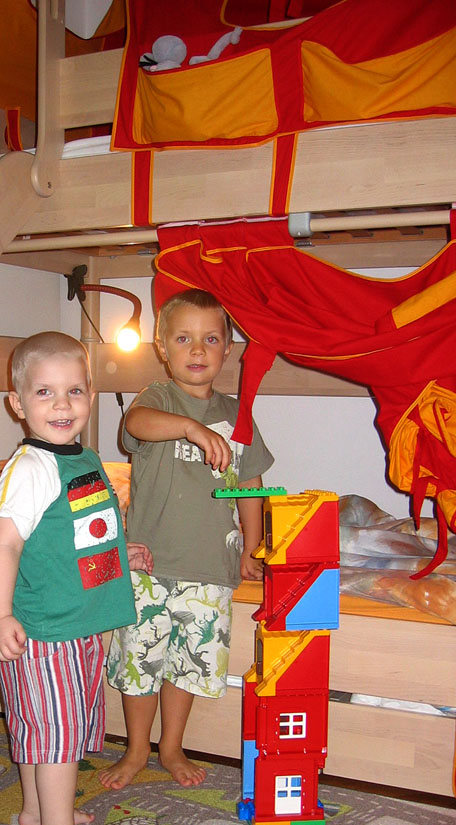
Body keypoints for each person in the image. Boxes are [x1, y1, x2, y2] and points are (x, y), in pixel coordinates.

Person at [0, 331, 153, 825]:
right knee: (55, 730)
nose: (62, 405)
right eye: (45, 392)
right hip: (47, 628)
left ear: (90, 396)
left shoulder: (86, 459)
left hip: (80, 623)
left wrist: (121, 552)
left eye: (74, 391)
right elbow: (6, 544)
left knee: (51, 723)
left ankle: (38, 812)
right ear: (18, 404)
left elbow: (85, 530)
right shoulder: (30, 469)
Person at [100, 289, 274, 791]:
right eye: (183, 339)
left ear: (227, 350)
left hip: (208, 565)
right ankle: (136, 749)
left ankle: (171, 747)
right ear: (162, 347)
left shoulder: (238, 414)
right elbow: (135, 425)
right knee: (141, 663)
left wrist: (252, 546)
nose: (197, 350)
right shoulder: (156, 399)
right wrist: (192, 429)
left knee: (188, 665)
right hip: (147, 565)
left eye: (210, 339)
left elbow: (250, 484)